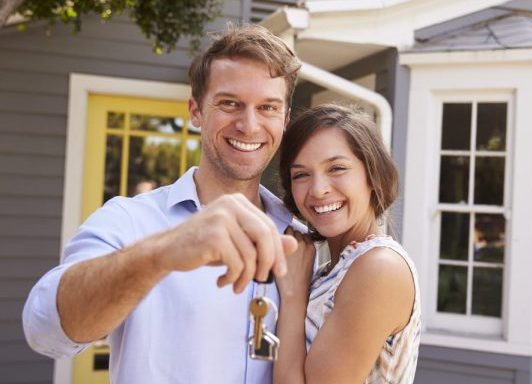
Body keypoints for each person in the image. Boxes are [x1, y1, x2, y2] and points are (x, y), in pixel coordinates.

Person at [22, 24, 302, 383]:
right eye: (230, 103)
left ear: (285, 119)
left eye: (267, 108)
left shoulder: (304, 238)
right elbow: (44, 329)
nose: (249, 126)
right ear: (196, 111)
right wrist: (162, 252)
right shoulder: (130, 221)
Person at [273, 104, 421, 383]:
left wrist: (293, 295)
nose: (318, 189)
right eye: (301, 174)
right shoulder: (334, 268)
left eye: (337, 168)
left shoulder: (379, 269)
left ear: (372, 175)